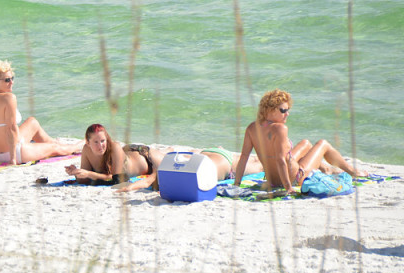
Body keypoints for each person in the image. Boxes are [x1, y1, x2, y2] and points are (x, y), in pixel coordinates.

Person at [232, 88, 367, 194]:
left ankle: (326, 168)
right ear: (270, 110)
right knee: (323, 144)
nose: (287, 114)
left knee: (306, 144)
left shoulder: (251, 128)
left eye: (288, 110)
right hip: (295, 177)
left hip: (272, 181)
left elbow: (244, 157)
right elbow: (280, 160)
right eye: (283, 110)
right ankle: (352, 171)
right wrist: (288, 187)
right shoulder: (280, 128)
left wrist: (236, 184)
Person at [66, 124, 264, 190]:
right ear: (87, 142)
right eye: (96, 142)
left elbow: (117, 181)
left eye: (103, 141)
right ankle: (199, 152)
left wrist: (90, 174)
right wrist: (78, 173)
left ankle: (196, 152)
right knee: (177, 159)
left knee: (173, 162)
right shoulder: (86, 151)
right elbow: (85, 179)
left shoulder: (114, 148)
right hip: (133, 154)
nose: (101, 146)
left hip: (145, 157)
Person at [0, 60, 83, 166]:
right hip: (16, 152)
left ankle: (52, 142)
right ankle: (78, 146)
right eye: (7, 80)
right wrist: (13, 159)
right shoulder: (9, 98)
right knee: (55, 149)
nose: (11, 82)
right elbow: (11, 128)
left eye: (12, 78)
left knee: (32, 122)